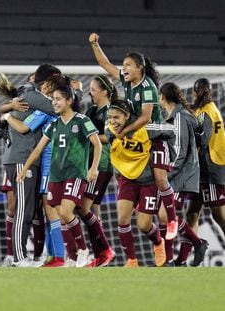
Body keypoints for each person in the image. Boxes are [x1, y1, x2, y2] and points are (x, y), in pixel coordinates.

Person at [88, 33, 178, 240]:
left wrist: (123, 132)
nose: (124, 68)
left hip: (155, 134)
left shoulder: (148, 87)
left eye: (128, 65)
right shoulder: (127, 81)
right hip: (138, 135)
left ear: (140, 68)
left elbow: (146, 117)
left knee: (160, 178)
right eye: (124, 65)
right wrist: (95, 44)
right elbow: (104, 63)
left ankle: (172, 220)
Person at [17, 82, 102, 268]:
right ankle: (72, 256)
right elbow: (38, 149)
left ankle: (83, 250)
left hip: (75, 174)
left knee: (65, 212)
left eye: (58, 99)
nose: (54, 103)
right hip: (56, 176)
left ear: (69, 101)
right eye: (53, 99)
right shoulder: (54, 124)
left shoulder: (82, 121)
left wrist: (93, 168)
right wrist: (25, 168)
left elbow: (98, 144)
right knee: (61, 217)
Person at [1, 75, 75, 267]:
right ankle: (56, 256)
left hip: (52, 164)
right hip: (58, 163)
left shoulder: (47, 111)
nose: (54, 100)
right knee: (51, 209)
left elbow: (24, 128)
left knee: (51, 209)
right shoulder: (66, 113)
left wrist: (7, 115)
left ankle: (60, 256)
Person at [106, 99, 175, 267]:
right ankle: (132, 260)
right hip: (127, 179)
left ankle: (158, 243)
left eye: (116, 117)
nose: (113, 122)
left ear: (127, 116)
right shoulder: (109, 131)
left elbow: (171, 130)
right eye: (110, 117)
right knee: (122, 219)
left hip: (149, 181)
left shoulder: (146, 129)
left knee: (143, 225)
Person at [157, 82, 209, 267]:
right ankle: (178, 256)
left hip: (181, 175)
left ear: (163, 96)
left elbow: (178, 152)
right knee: (168, 216)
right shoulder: (178, 115)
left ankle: (194, 245)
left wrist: (167, 175)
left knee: (166, 216)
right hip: (185, 173)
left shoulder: (179, 117)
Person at [184, 78, 225, 265]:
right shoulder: (204, 109)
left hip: (212, 168)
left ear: (194, 92)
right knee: (192, 213)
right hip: (203, 169)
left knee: (218, 214)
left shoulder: (207, 110)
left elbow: (204, 139)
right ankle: (184, 257)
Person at [78, 75, 117, 267]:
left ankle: (105, 250)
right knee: (93, 210)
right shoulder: (92, 110)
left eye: (93, 89)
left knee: (82, 208)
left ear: (104, 92)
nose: (90, 92)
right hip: (90, 163)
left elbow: (111, 137)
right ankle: (100, 255)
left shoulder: (111, 112)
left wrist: (90, 136)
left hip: (101, 164)